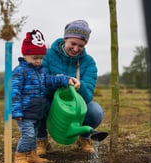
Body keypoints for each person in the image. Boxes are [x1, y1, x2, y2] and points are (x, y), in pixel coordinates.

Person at [12, 29, 80, 163]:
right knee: (28, 135)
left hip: (36, 111)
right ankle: (19, 155)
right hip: (24, 112)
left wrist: (64, 79)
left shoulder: (40, 71)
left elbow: (49, 80)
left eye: (41, 58)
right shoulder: (20, 72)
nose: (38, 61)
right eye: (35, 58)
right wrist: (16, 111)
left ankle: (32, 156)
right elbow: (14, 92)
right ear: (25, 55)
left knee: (35, 134)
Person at [36, 20, 104, 155]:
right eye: (73, 44)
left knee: (95, 111)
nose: (76, 49)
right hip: (50, 102)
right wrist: (59, 81)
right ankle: (41, 139)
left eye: (81, 46)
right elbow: (39, 84)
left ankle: (83, 138)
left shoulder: (88, 62)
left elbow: (88, 95)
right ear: (65, 38)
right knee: (37, 103)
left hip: (74, 106)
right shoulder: (47, 55)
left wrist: (80, 86)